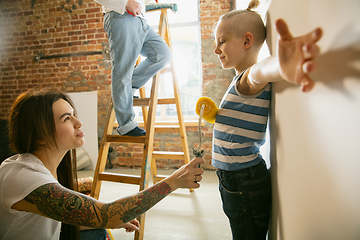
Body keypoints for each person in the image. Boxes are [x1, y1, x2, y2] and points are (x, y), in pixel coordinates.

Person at [0, 88, 204, 240]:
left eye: (74, 114)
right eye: (66, 118)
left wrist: (106, 219)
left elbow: (75, 209)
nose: (78, 122)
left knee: (99, 231)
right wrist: (174, 181)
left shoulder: (43, 168)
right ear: (40, 136)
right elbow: (107, 214)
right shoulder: (23, 175)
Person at [211, 0, 322, 239]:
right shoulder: (238, 80)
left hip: (243, 181)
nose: (215, 49)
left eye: (221, 41)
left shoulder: (248, 77)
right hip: (235, 179)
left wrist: (281, 65)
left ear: (247, 41)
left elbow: (260, 72)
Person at [96, 0, 172, 136]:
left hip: (141, 19)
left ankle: (130, 86)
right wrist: (125, 2)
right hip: (121, 15)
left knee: (163, 54)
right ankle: (126, 124)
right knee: (123, 69)